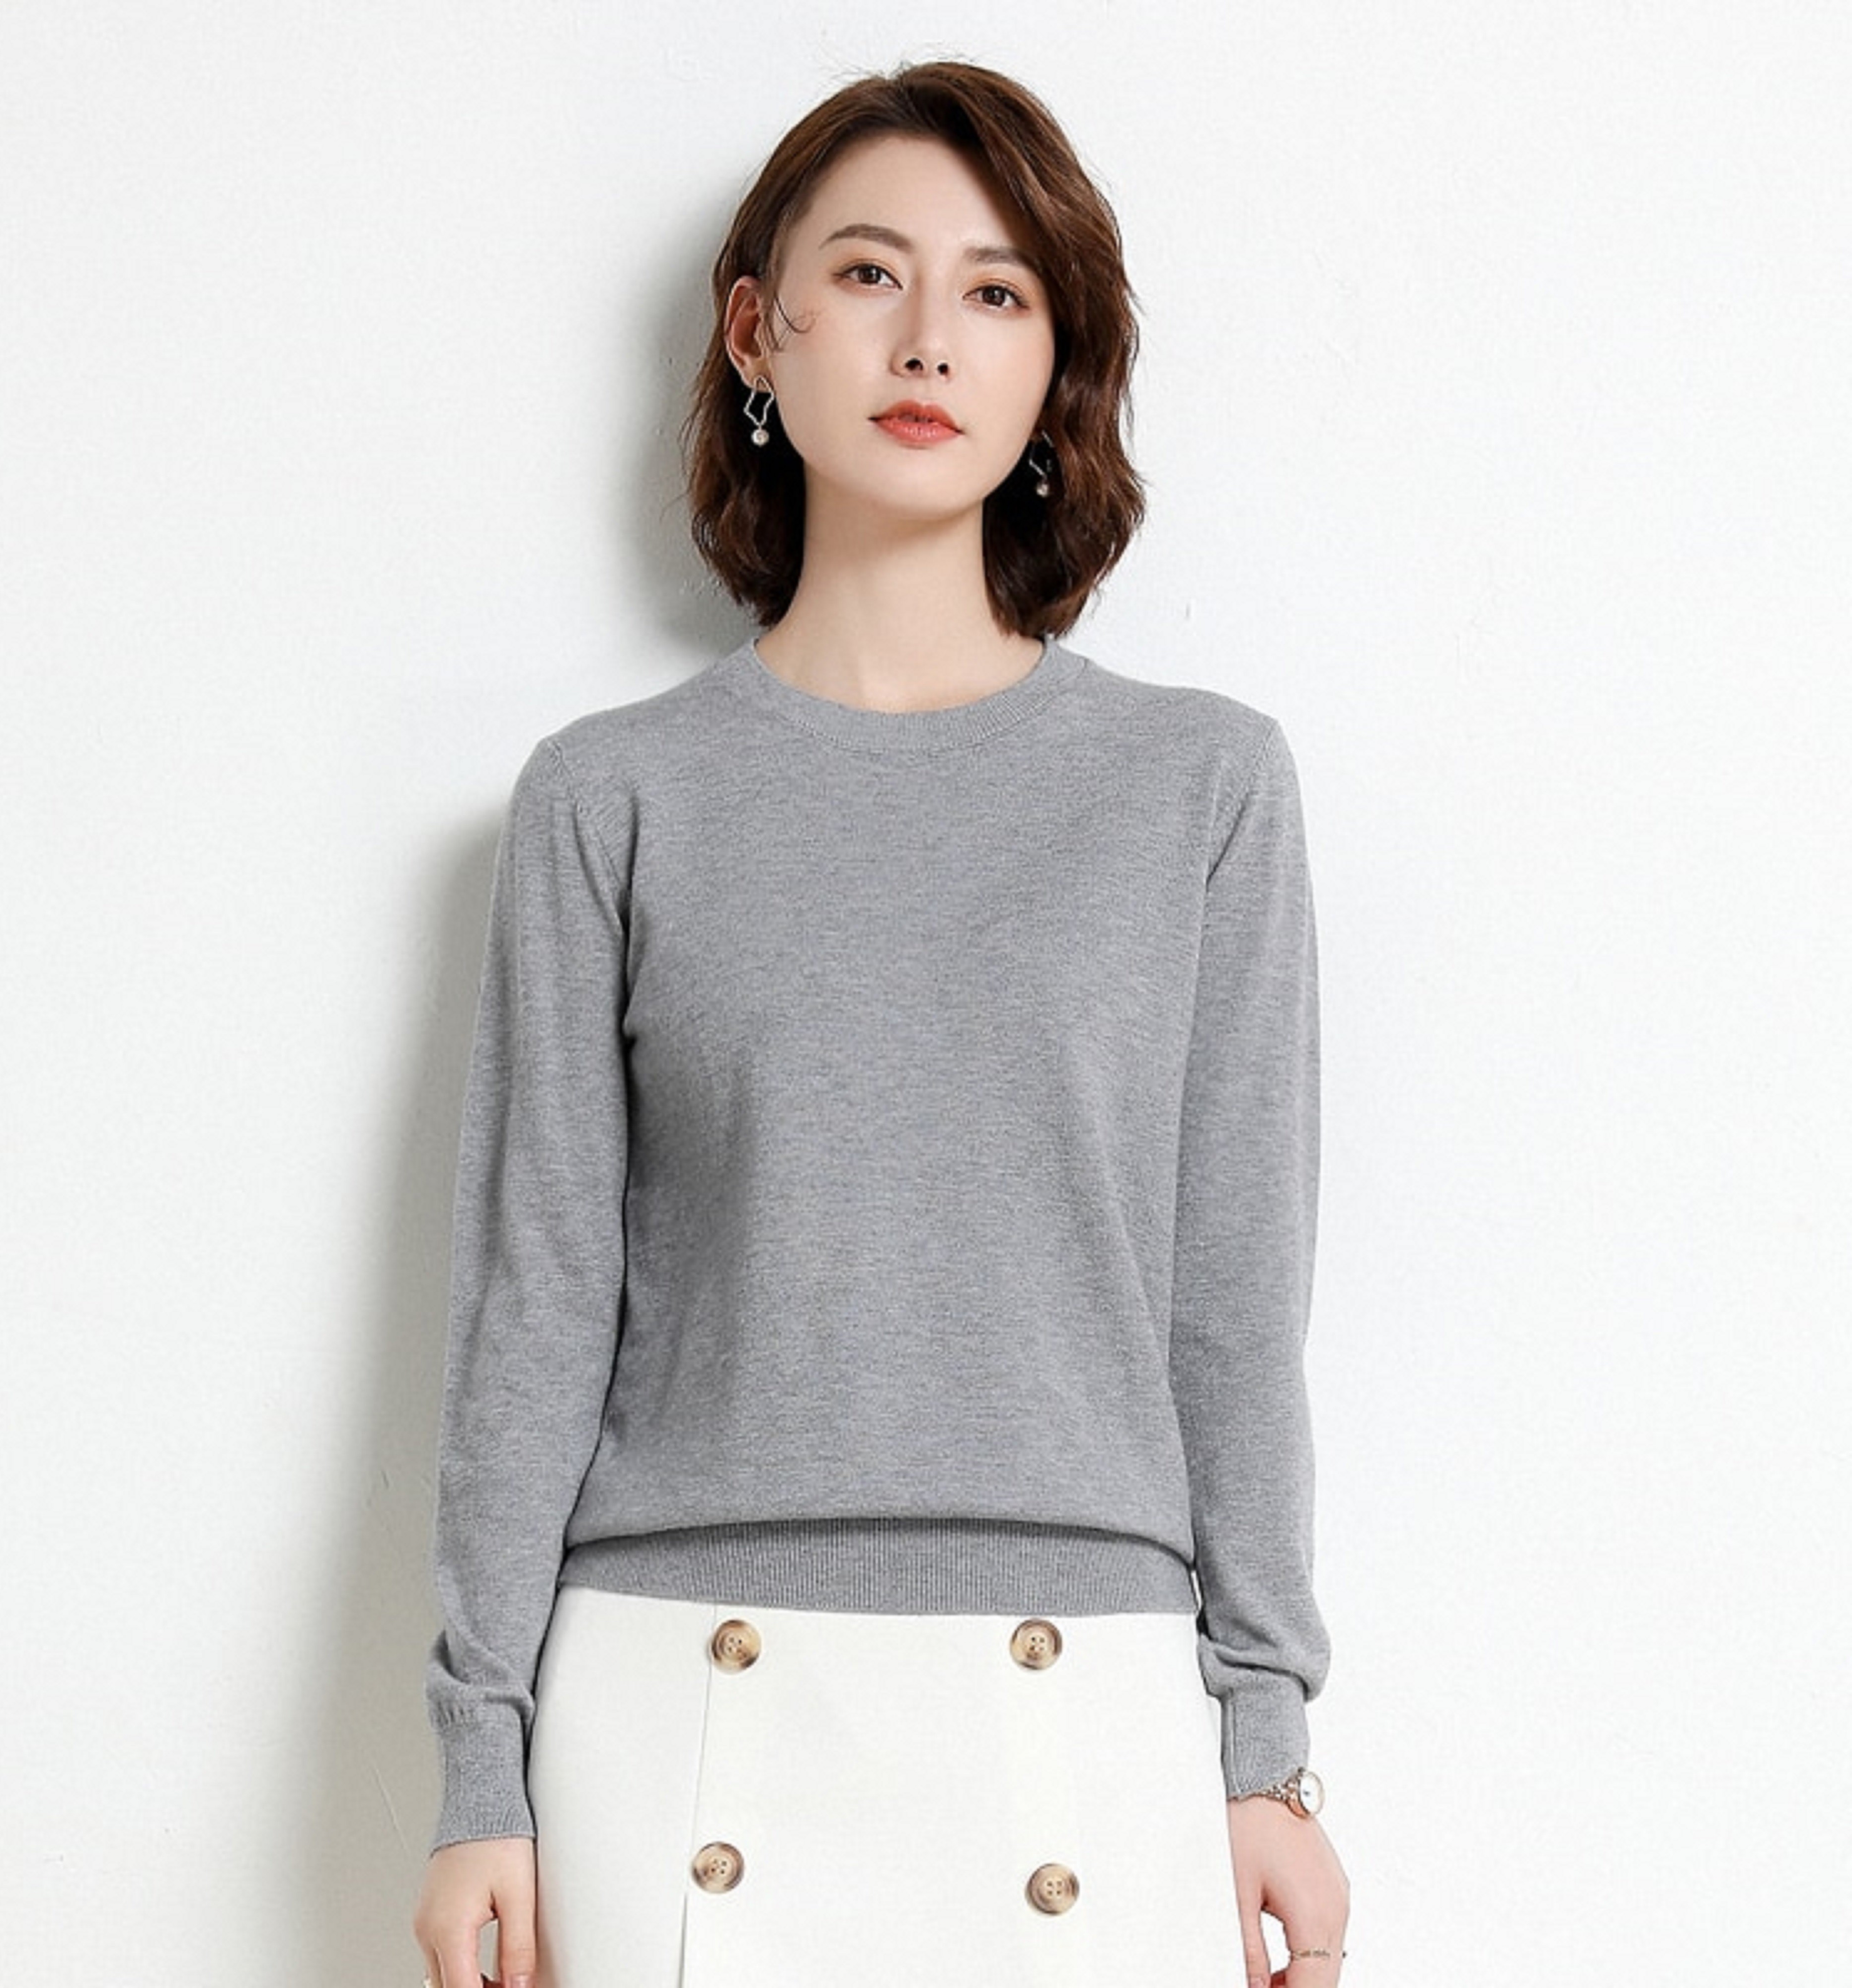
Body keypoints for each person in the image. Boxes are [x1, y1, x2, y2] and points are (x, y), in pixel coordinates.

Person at [412, 58, 1349, 1988]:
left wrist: (1267, 1748)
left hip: (1088, 1704)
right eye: (868, 273)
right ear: (757, 329)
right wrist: (478, 1769)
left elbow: (1234, 1303)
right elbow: (536, 1302)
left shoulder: (1200, 790)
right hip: (681, 1704)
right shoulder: (612, 797)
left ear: (1056, 365)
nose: (929, 338)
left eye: (998, 291)